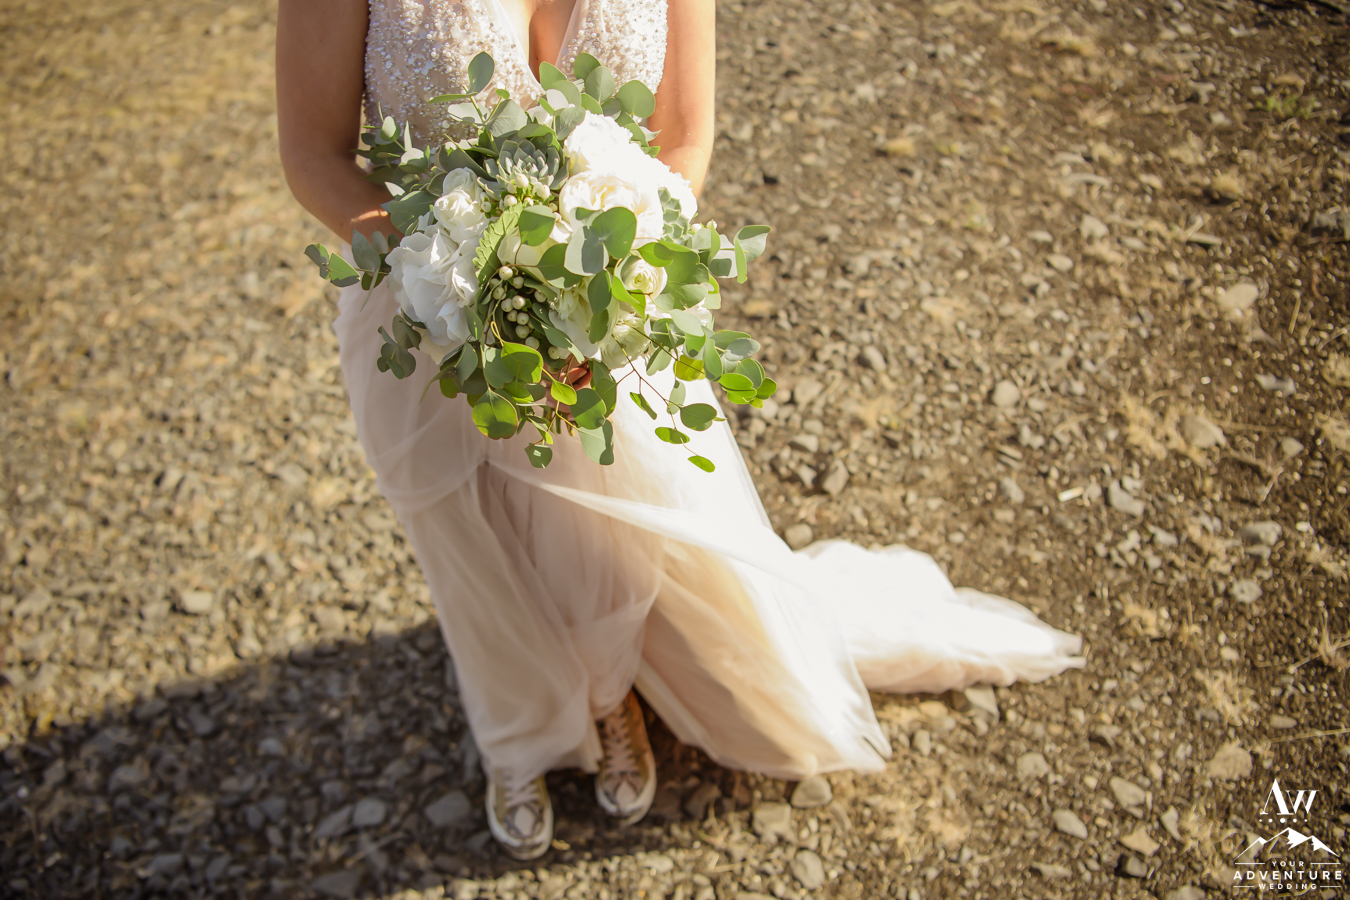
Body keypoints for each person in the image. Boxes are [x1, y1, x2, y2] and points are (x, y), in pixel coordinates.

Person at [276, 0, 1085, 862]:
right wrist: (471, 276)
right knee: (473, 541)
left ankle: (609, 695)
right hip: (424, 310)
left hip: (605, 312)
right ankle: (518, 734)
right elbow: (313, 155)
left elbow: (684, 140)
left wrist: (593, 282)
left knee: (610, 530)